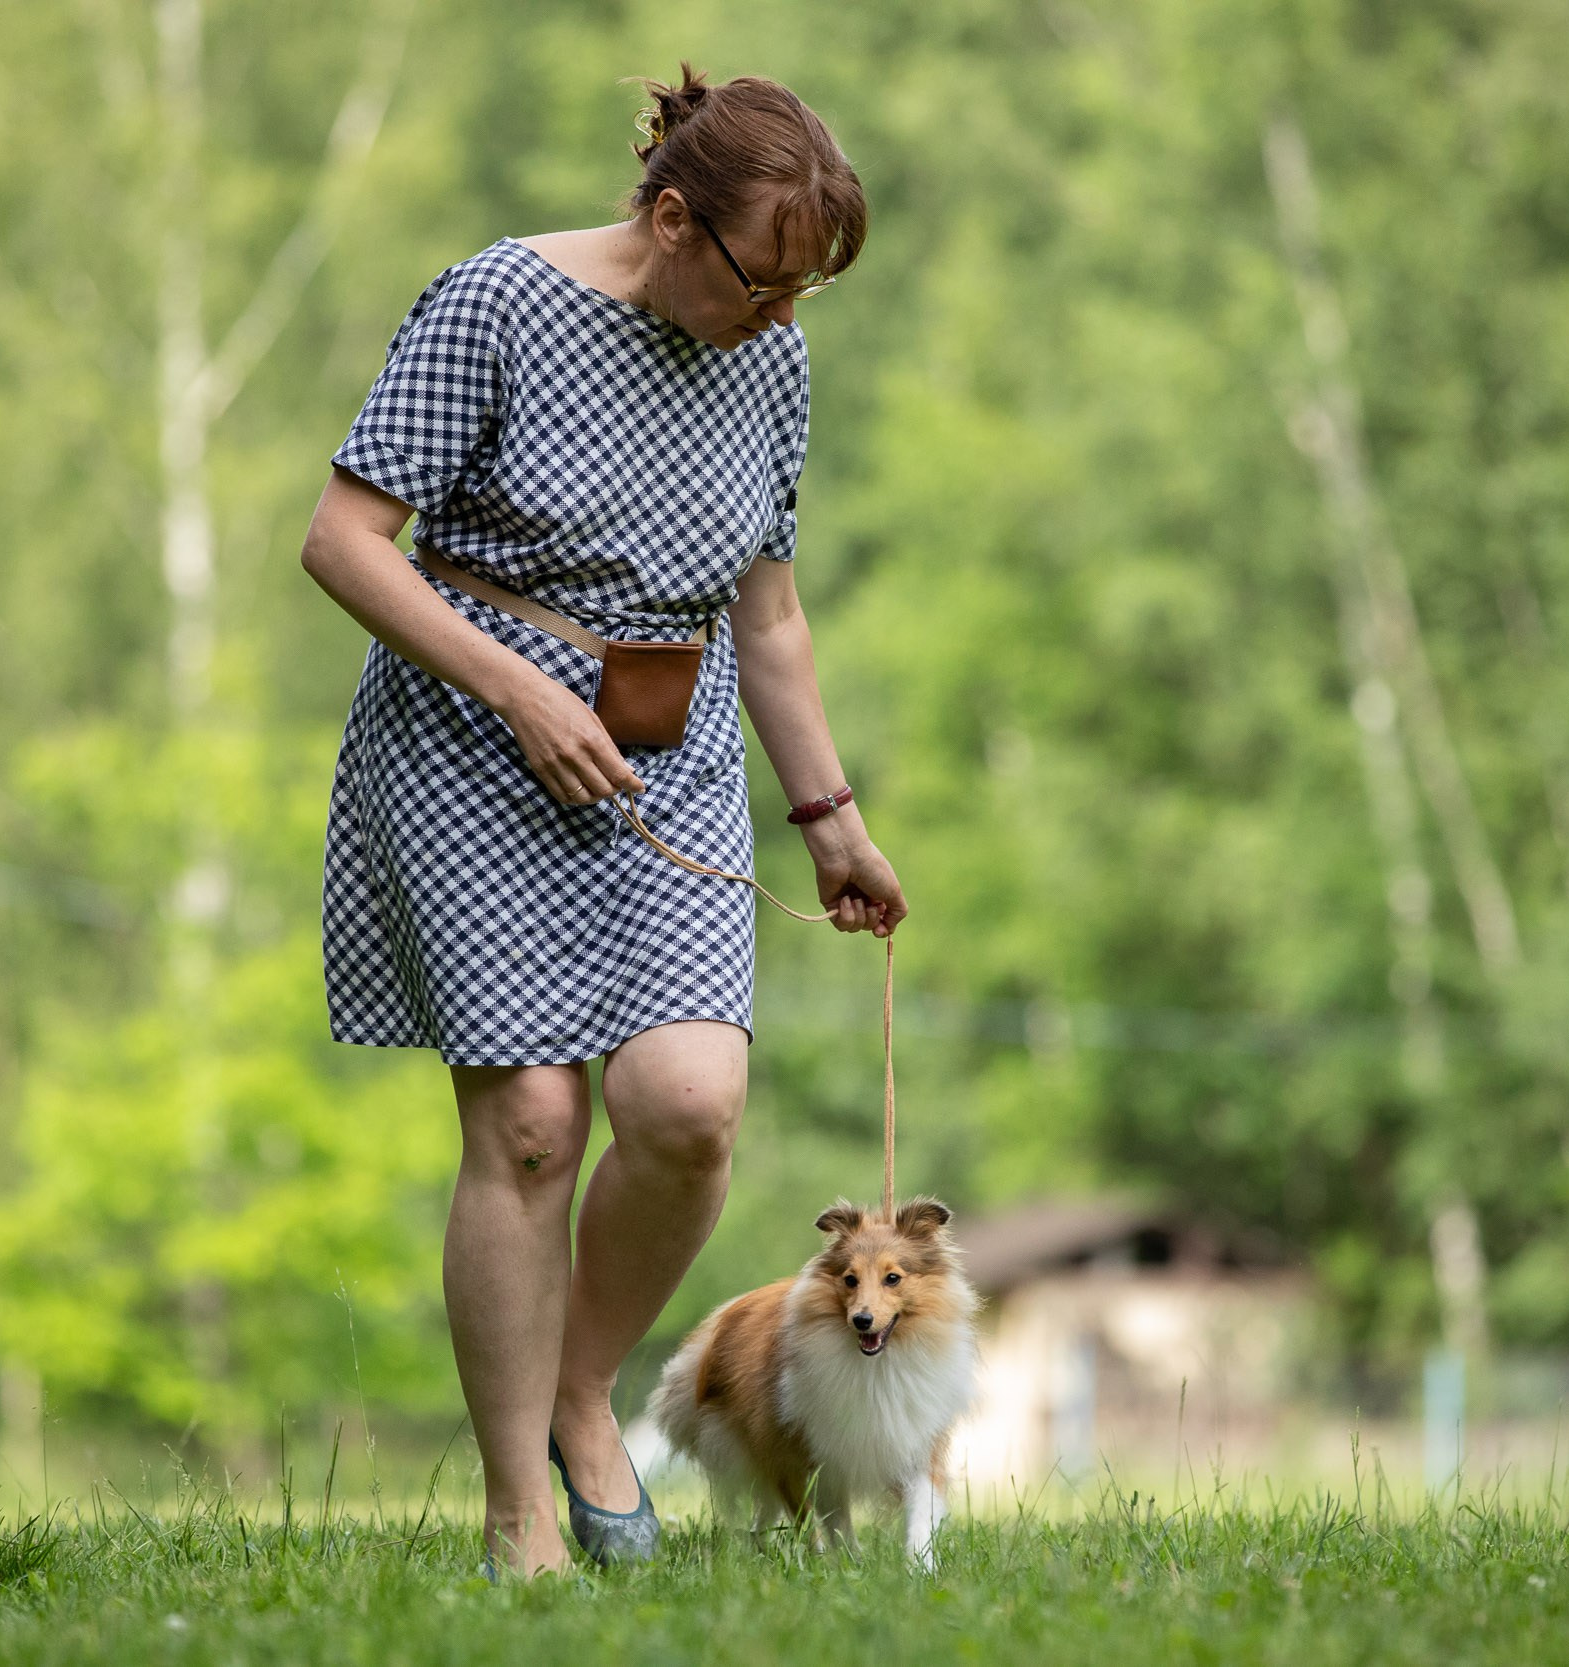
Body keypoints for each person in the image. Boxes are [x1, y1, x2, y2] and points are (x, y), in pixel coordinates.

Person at [297, 62, 906, 1578]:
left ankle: (581, 1394)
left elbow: (767, 617)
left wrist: (828, 813)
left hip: (670, 749)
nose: (781, 321)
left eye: (806, 296)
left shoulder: (773, 359)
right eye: (765, 282)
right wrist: (518, 690)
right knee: (528, 1126)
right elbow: (344, 543)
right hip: (472, 742)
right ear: (674, 216)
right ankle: (521, 1512)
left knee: (690, 1110)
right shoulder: (497, 304)